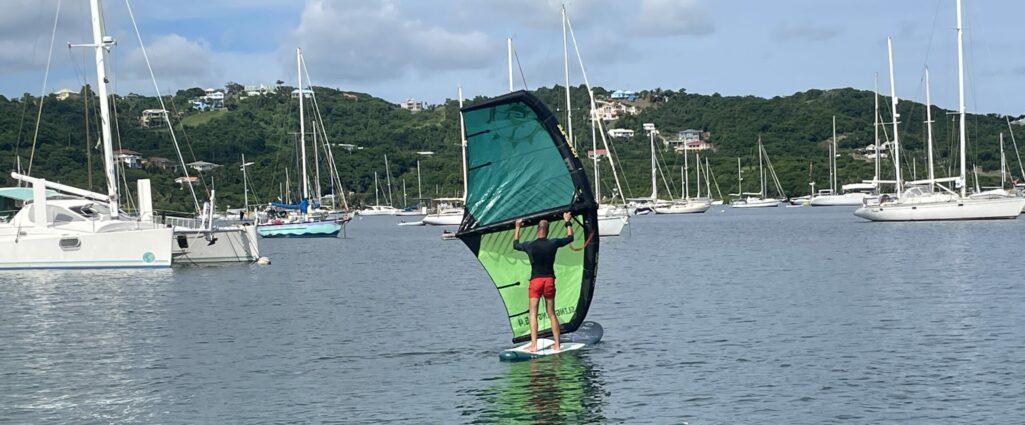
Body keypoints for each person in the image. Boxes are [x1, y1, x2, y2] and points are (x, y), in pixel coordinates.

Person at [513, 211, 575, 352]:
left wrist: (517, 226)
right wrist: (567, 221)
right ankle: (557, 345)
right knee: (551, 313)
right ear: (548, 231)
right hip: (549, 281)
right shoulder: (553, 243)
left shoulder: (529, 245)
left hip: (536, 282)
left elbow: (515, 244)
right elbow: (570, 237)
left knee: (533, 313)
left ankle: (534, 345)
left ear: (537, 230)